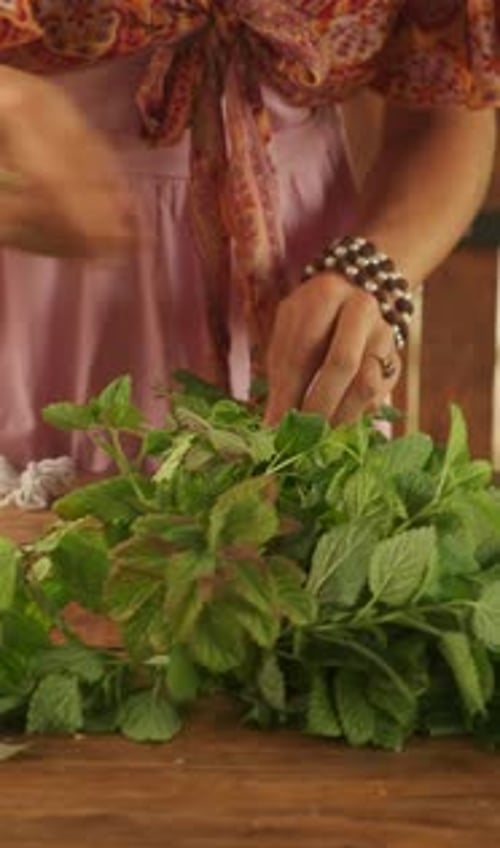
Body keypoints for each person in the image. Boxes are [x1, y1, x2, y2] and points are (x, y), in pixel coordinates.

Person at [0, 1, 496, 497]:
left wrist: (369, 272)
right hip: (37, 268)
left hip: (303, 286)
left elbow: (446, 105)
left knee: (288, 522)